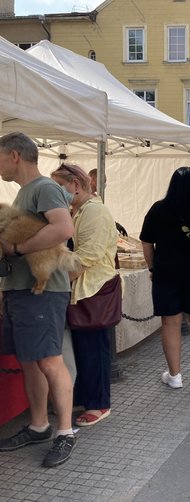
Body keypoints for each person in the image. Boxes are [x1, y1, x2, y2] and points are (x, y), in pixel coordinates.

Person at [0, 132, 77, 467]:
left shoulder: (44, 188)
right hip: (23, 291)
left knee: (49, 360)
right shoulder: (25, 193)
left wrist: (17, 249)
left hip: (42, 293)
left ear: (14, 155)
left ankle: (64, 433)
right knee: (31, 360)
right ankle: (38, 425)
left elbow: (63, 229)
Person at [51, 164, 118, 427]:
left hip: (92, 289)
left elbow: (87, 256)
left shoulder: (95, 212)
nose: (58, 192)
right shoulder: (76, 211)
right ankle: (84, 396)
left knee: (93, 349)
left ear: (76, 185)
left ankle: (99, 403)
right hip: (81, 289)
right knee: (82, 348)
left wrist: (57, 279)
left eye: (60, 186)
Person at [141, 167, 190, 389]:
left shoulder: (158, 209)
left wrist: (152, 267)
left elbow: (146, 242)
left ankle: (175, 375)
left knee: (170, 323)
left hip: (166, 272)